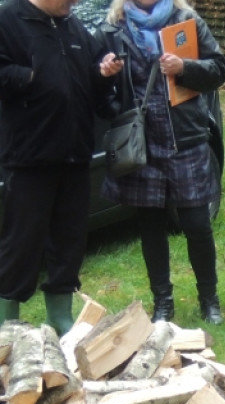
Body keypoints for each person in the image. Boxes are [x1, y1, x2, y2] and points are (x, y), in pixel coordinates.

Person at [98, 0, 225, 324]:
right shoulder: (112, 29)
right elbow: (102, 100)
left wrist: (185, 68)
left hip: (184, 138)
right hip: (142, 144)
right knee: (150, 228)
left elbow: (219, 70)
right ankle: (163, 303)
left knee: (198, 224)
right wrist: (104, 77)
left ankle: (208, 300)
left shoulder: (186, 21)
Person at [0, 0, 123, 335]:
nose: (74, 3)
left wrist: (103, 72)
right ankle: (7, 318)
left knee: (69, 240)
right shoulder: (8, 19)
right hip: (29, 157)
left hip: (75, 154)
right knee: (21, 242)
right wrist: (28, 77)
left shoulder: (73, 26)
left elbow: (92, 76)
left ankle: (59, 314)